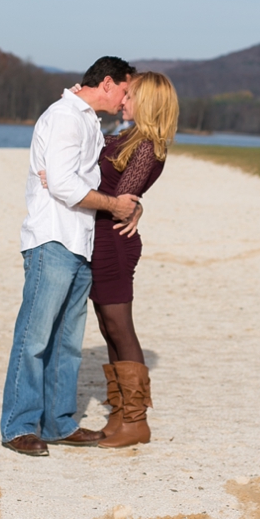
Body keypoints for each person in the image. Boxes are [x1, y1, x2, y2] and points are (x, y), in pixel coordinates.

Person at [0, 56, 141, 458]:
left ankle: (60, 423)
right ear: (108, 83)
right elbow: (63, 183)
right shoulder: (65, 116)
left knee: (67, 342)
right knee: (35, 337)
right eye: (126, 92)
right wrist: (112, 205)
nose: (125, 100)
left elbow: (75, 180)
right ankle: (18, 426)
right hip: (53, 239)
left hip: (81, 242)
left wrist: (120, 201)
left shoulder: (89, 122)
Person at [89, 72, 179, 448]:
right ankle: (119, 411)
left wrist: (132, 206)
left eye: (131, 96)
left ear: (149, 101)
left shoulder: (147, 145)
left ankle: (136, 421)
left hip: (114, 242)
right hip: (102, 237)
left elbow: (123, 198)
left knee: (120, 327)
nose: (123, 100)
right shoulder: (127, 137)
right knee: (108, 328)